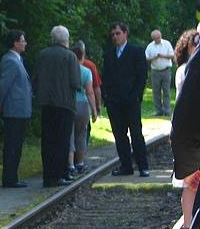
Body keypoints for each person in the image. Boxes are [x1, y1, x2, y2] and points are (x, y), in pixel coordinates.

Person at [32, 25, 81, 187]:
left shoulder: (42, 55)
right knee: (62, 140)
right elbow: (75, 82)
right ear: (66, 40)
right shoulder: (70, 56)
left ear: (52, 39)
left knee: (48, 140)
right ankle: (61, 174)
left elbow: (36, 78)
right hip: (65, 103)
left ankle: (48, 176)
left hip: (46, 103)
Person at [102, 22, 149, 177]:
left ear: (125, 33)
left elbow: (142, 76)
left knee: (136, 133)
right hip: (114, 102)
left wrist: (136, 95)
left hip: (131, 100)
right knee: (119, 135)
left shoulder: (136, 51)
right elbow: (106, 78)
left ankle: (143, 166)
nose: (115, 37)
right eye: (113, 34)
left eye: (118, 33)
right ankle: (126, 166)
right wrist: (106, 97)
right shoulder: (109, 55)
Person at [170, 29, 200, 229]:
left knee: (190, 183)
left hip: (188, 127)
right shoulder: (187, 69)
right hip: (192, 127)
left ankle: (189, 227)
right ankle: (189, 227)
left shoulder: (187, 68)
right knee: (191, 183)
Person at [0, 29, 32, 188]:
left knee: (16, 144)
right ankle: (10, 178)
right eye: (23, 40)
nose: (25, 43)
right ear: (15, 43)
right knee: (12, 144)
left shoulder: (17, 60)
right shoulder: (10, 60)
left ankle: (12, 176)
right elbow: (4, 85)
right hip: (14, 109)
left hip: (19, 109)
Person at [69, 42, 98, 175]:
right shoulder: (86, 71)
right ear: (82, 56)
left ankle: (70, 164)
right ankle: (80, 163)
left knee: (69, 134)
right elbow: (90, 92)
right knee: (81, 134)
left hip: (69, 104)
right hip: (82, 105)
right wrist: (94, 110)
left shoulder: (67, 70)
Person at [145, 29, 175, 116]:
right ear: (153, 38)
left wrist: (162, 56)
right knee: (156, 92)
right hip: (155, 71)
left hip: (166, 70)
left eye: (158, 37)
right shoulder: (150, 46)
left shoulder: (166, 44)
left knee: (166, 91)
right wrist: (154, 58)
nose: (157, 39)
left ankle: (167, 110)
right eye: (155, 38)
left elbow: (172, 55)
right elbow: (146, 58)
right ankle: (158, 110)